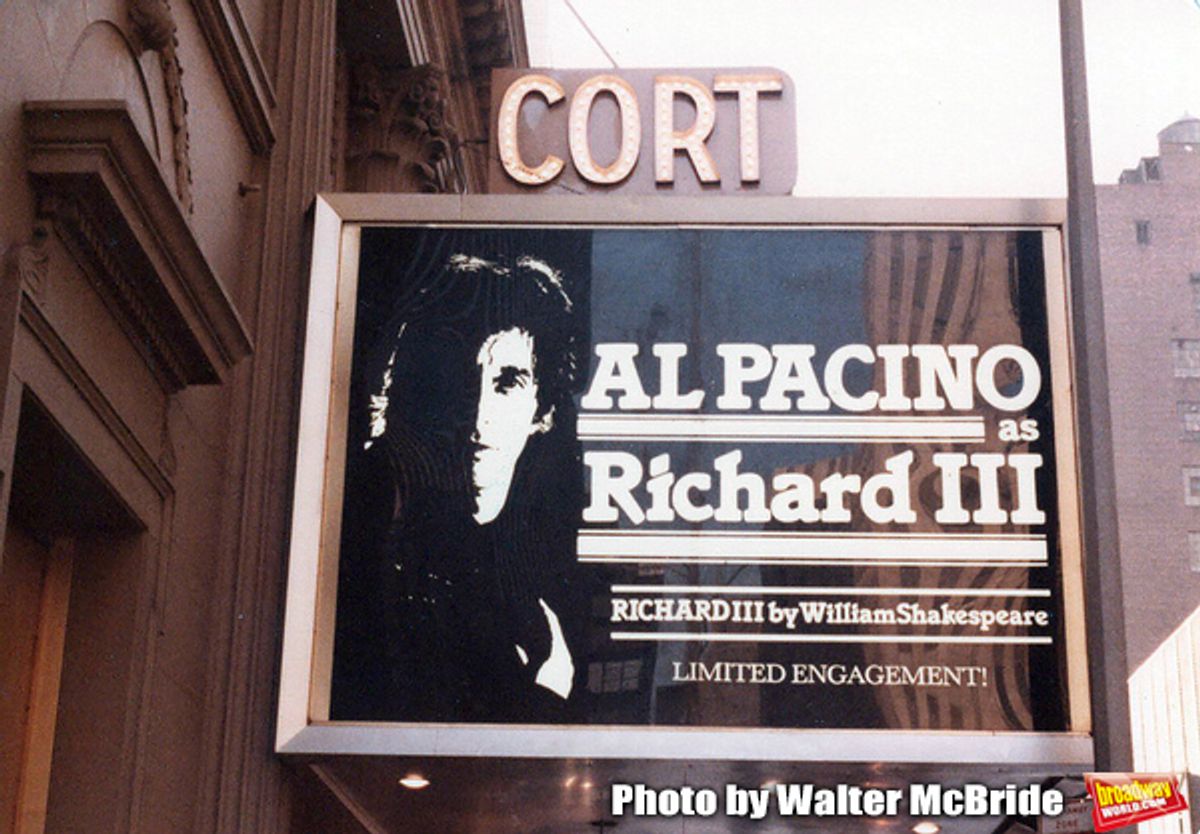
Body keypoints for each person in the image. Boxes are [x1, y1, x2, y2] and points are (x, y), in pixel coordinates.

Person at [332, 250, 584, 722]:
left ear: (542, 410)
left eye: (507, 382)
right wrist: (545, 693)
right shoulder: (375, 543)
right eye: (455, 379)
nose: (476, 415)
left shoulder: (521, 601)